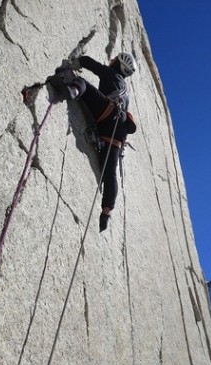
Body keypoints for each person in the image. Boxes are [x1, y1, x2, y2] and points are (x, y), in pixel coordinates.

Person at [48, 52, 137, 232]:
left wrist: (75, 61)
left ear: (118, 64)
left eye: (114, 60)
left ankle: (72, 91)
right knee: (109, 172)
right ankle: (106, 213)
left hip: (107, 112)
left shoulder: (113, 74)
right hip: (117, 135)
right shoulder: (126, 94)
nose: (111, 61)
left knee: (83, 85)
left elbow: (91, 64)